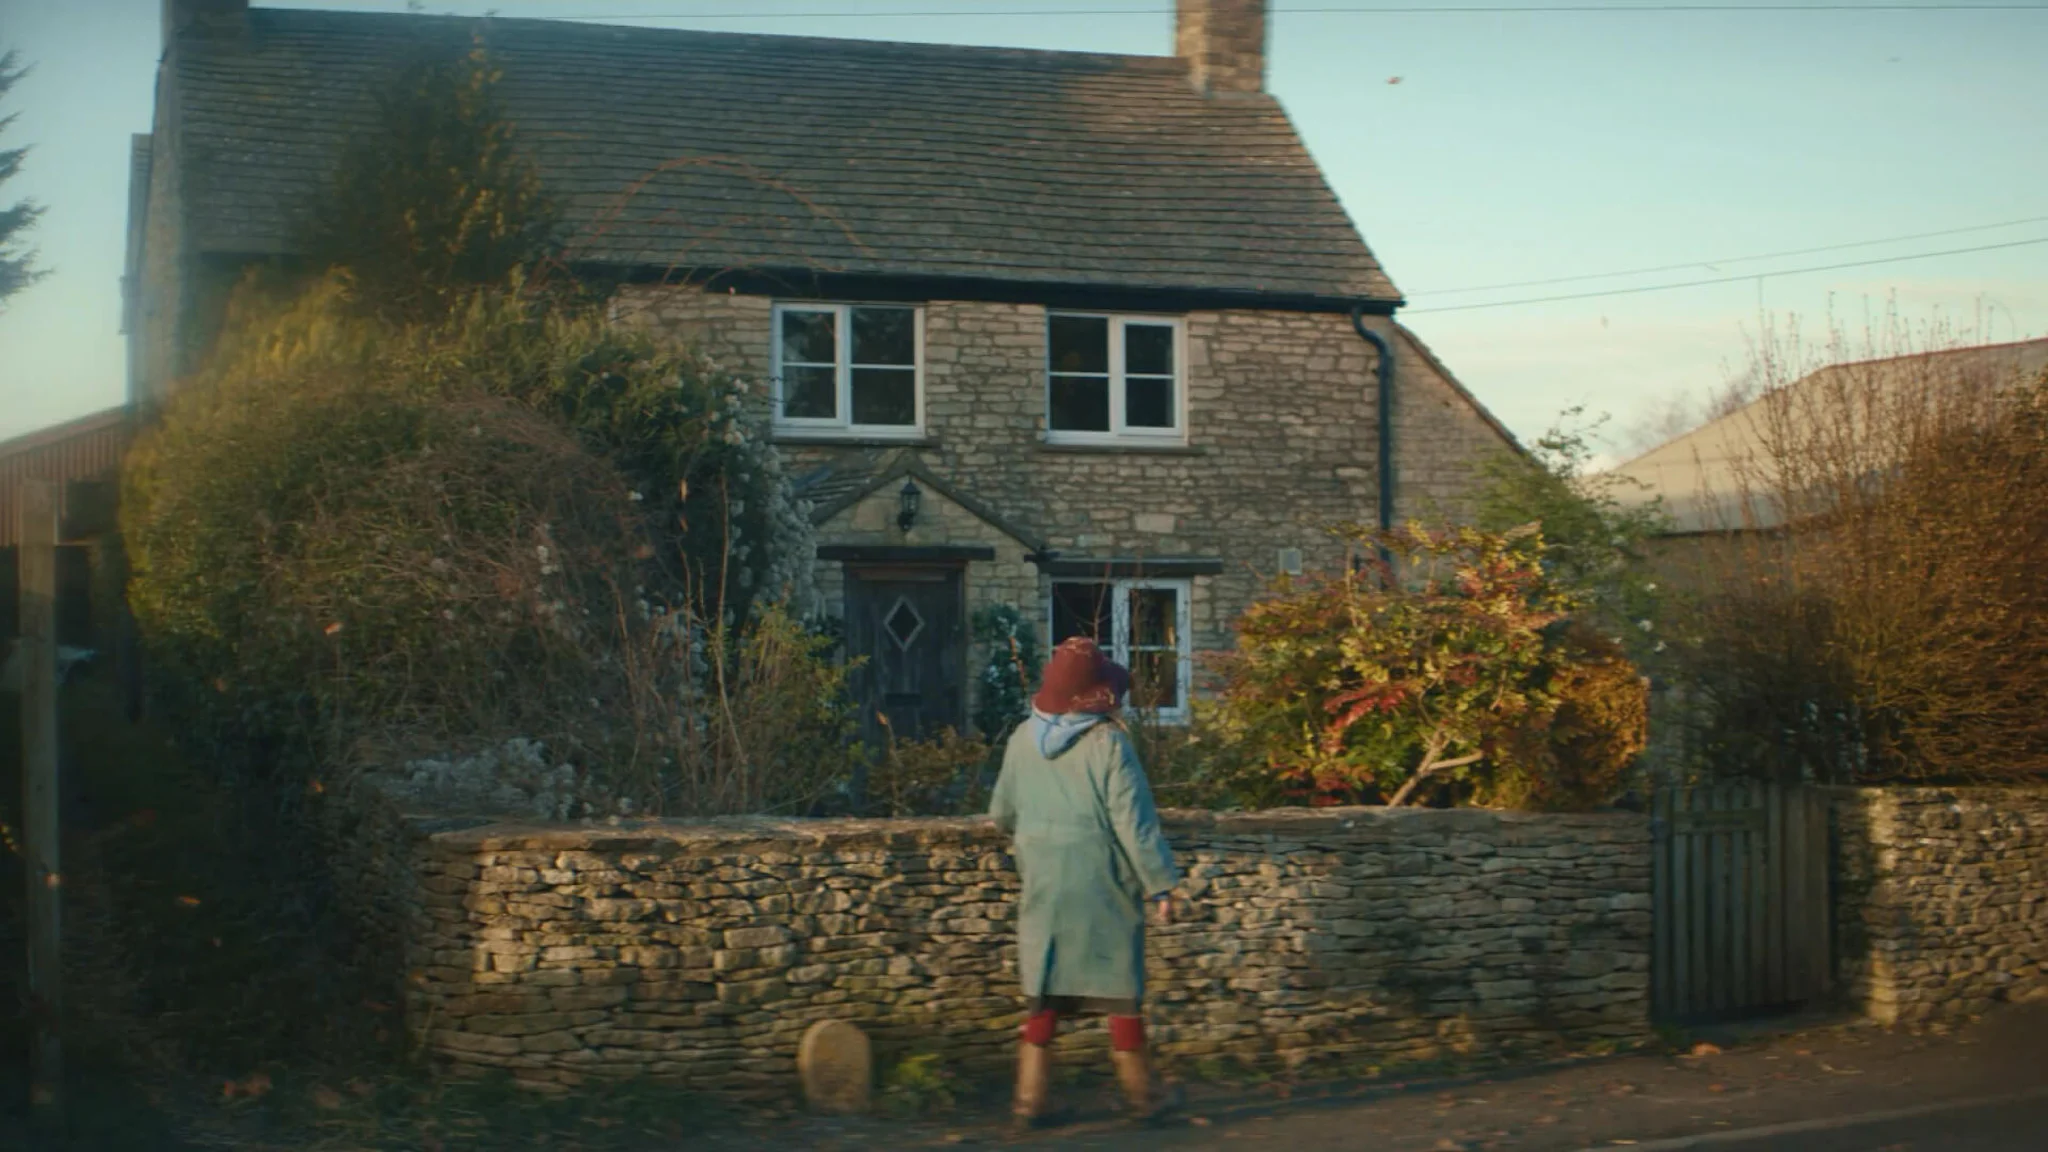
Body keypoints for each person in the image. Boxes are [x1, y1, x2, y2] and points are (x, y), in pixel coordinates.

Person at [988, 636, 1182, 1130]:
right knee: (1119, 990)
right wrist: (1159, 884)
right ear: (1097, 693)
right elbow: (1133, 823)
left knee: (1045, 989)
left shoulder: (1019, 740)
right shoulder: (1108, 743)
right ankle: (1145, 1097)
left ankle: (1029, 1102)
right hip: (1102, 883)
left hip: (1045, 883)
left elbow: (1001, 814)